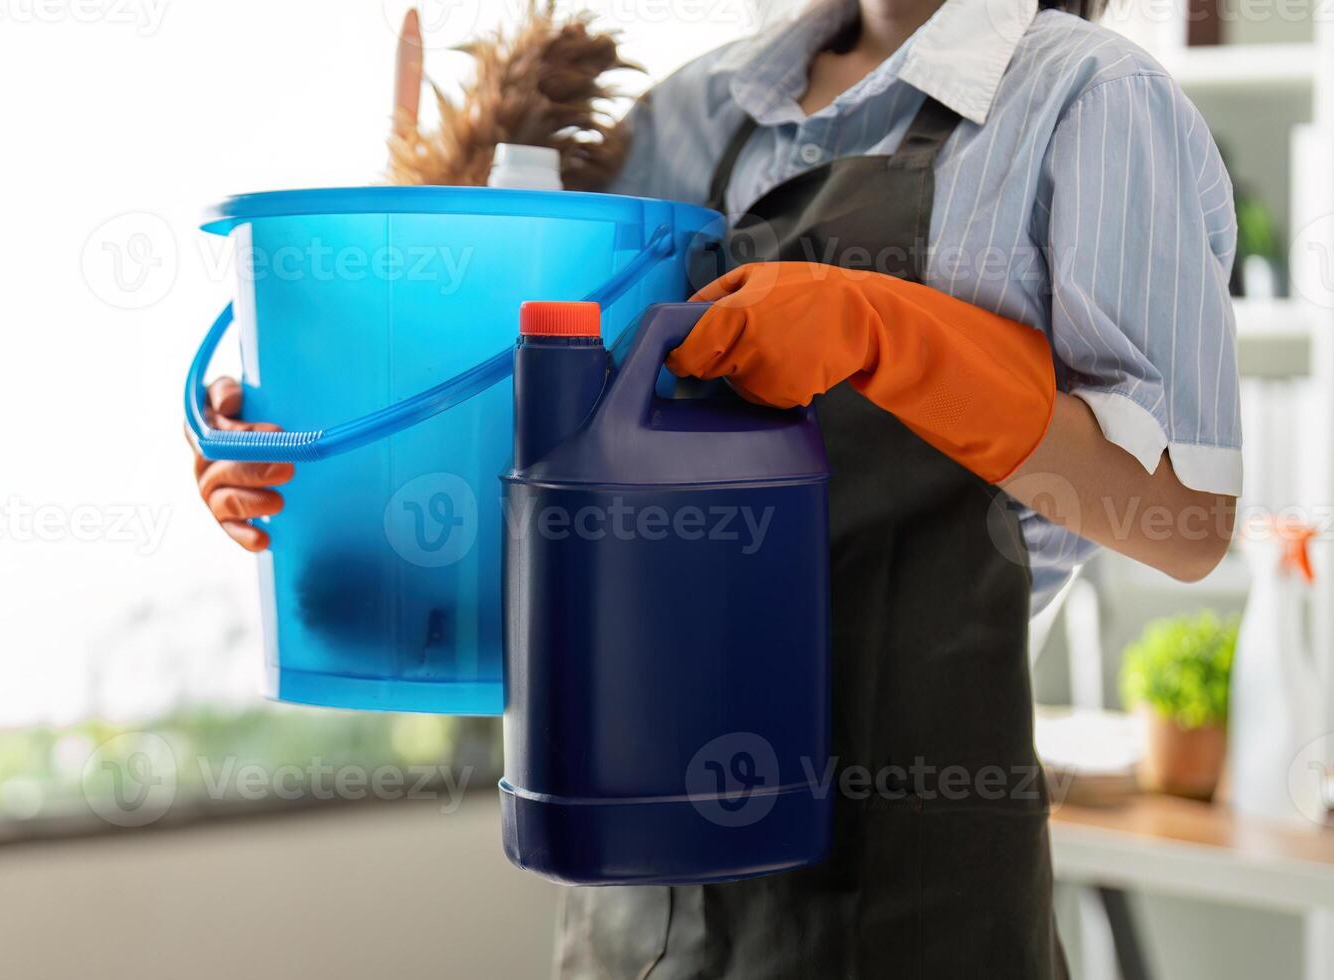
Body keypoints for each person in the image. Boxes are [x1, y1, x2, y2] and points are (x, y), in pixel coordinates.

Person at [192, 0, 1242, 973]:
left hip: (908, 879)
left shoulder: (1086, 101)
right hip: (632, 883)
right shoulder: (694, 110)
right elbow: (524, 443)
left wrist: (895, 339)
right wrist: (311, 454)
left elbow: (1186, 522)